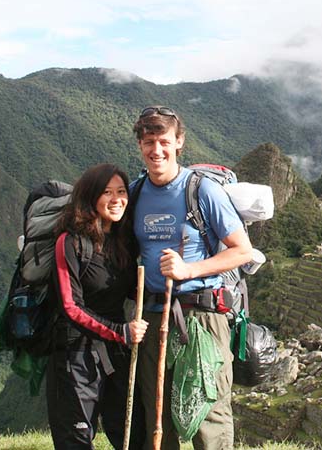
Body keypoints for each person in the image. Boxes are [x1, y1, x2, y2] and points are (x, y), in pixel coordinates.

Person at [129, 106, 252, 450]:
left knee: (207, 415)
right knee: (159, 416)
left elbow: (242, 250)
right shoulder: (136, 193)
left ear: (179, 142)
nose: (157, 150)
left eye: (164, 141)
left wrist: (189, 269)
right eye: (149, 141)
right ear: (140, 145)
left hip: (201, 316)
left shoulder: (201, 191)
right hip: (153, 315)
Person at [47, 163, 149, 450]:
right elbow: (70, 306)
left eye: (121, 192)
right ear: (90, 196)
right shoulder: (70, 242)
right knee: (77, 439)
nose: (117, 199)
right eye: (107, 192)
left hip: (116, 353)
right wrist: (121, 332)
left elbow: (130, 289)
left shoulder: (123, 241)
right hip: (76, 354)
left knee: (132, 434)